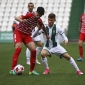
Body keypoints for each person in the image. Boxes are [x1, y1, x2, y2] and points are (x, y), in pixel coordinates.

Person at [9, 6, 49, 75]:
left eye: (39, 16)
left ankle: (32, 71)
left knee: (34, 51)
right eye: (37, 14)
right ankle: (12, 70)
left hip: (27, 35)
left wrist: (46, 34)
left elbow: (43, 27)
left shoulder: (39, 20)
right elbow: (16, 17)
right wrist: (22, 20)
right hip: (18, 32)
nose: (37, 16)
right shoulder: (30, 15)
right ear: (36, 12)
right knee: (18, 49)